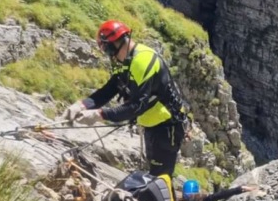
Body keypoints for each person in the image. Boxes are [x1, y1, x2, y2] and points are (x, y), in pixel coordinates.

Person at [62, 20, 188, 178]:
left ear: (111, 45)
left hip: (167, 126)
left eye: (105, 49)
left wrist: (100, 115)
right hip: (153, 124)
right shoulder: (125, 61)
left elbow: (136, 106)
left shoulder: (142, 61)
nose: (107, 55)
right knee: (155, 176)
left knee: (160, 179)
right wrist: (82, 105)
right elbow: (110, 89)